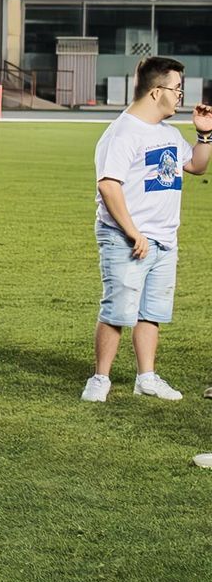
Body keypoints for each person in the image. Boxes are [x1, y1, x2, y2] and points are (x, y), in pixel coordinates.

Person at [81, 57, 212, 403]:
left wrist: (204, 134)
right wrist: (134, 232)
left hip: (164, 238)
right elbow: (109, 186)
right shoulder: (122, 133)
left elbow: (197, 166)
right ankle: (100, 378)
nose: (181, 95)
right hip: (127, 237)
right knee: (117, 310)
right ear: (156, 92)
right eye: (177, 88)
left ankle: (147, 377)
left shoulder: (167, 133)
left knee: (151, 312)